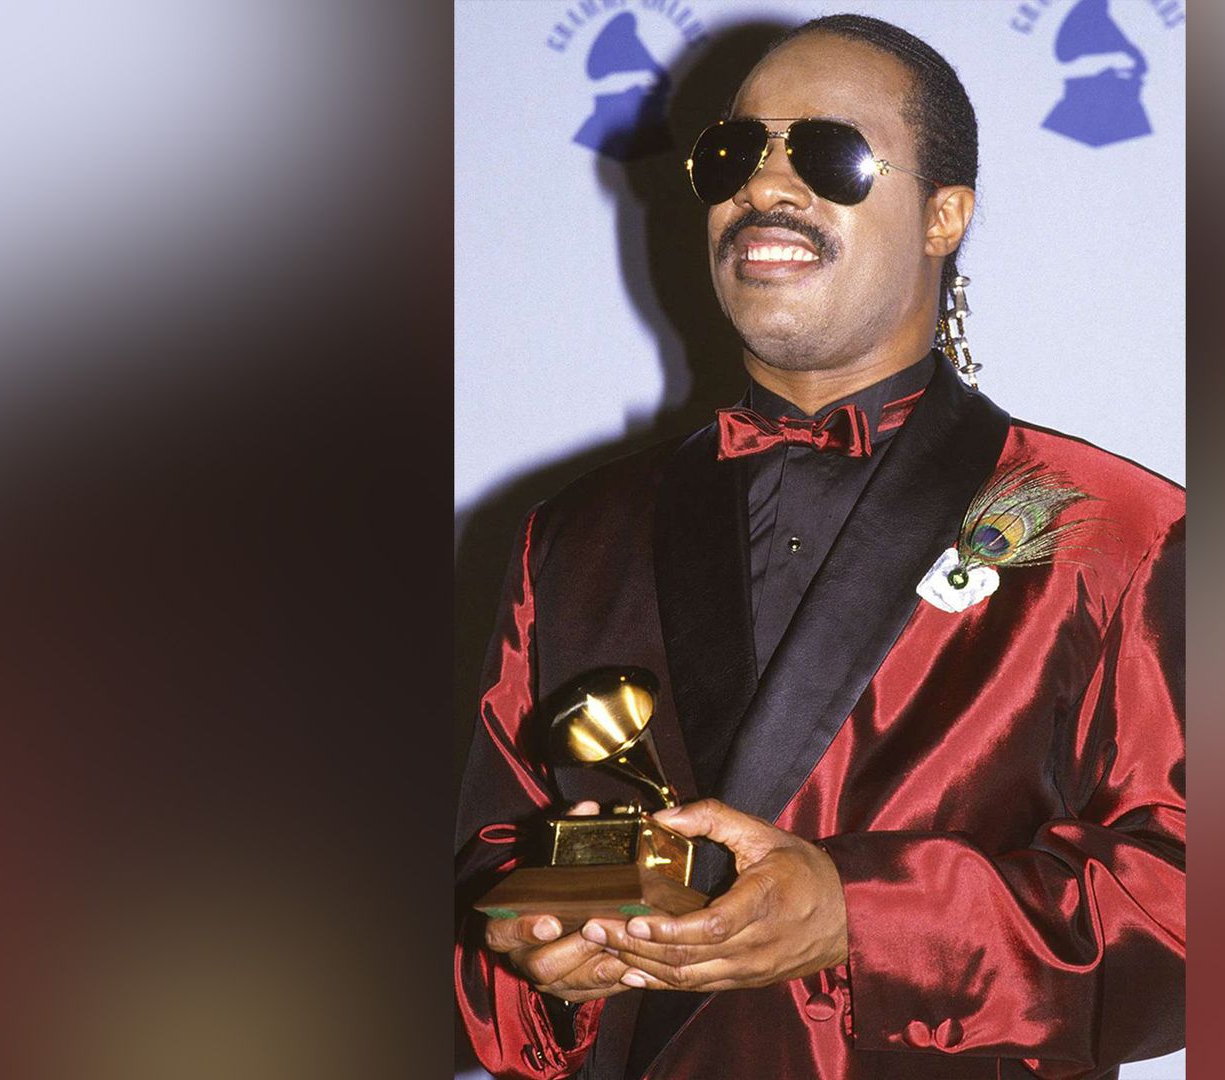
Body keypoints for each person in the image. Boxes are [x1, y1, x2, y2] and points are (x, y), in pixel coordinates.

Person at [455, 14, 1184, 1079]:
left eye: (830, 154)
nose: (764, 187)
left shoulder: (1112, 531)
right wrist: (530, 953)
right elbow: (488, 876)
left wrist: (862, 920)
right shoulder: (575, 536)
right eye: (732, 155)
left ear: (946, 215)